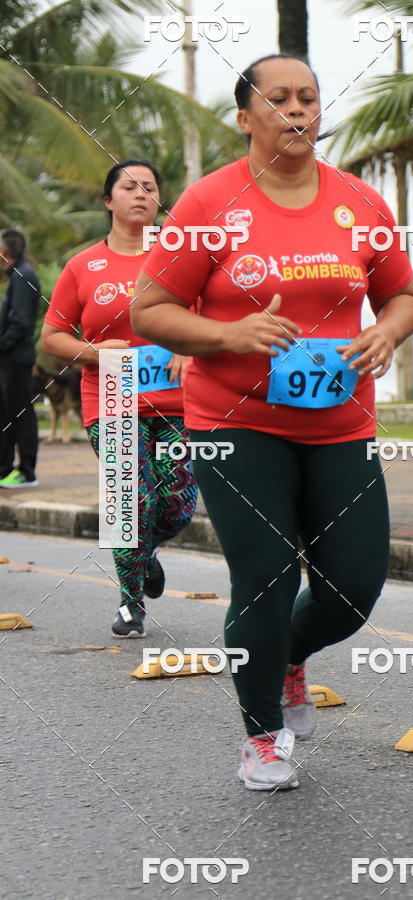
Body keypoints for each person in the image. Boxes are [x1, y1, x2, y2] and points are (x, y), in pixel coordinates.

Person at [131, 55, 413, 790]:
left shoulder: (361, 202)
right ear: (245, 116)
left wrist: (387, 331)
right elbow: (149, 311)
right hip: (236, 424)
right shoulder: (207, 204)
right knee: (263, 577)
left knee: (352, 589)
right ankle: (261, 738)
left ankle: (288, 656)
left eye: (309, 98)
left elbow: (403, 297)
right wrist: (230, 334)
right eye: (279, 98)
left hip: (342, 424)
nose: (297, 110)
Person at [41, 159, 199, 637]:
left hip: (176, 403)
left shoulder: (181, 258)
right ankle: (131, 605)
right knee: (131, 501)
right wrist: (94, 351)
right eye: (129, 187)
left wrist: (188, 346)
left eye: (149, 187)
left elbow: (211, 317)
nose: (141, 194)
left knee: (176, 506)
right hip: (110, 400)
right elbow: (52, 336)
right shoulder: (82, 266)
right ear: (109, 200)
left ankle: (144, 554)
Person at [0, 229, 41, 488]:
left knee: (21, 413)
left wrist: (2, 345)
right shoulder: (17, 275)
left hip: (16, 358)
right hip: (10, 358)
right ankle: (5, 469)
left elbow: (20, 322)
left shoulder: (22, 275)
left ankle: (26, 472)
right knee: (7, 414)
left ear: (3, 252)